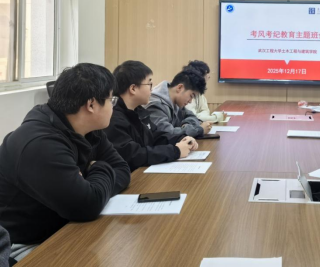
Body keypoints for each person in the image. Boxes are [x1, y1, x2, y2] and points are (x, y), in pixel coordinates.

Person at [0, 64, 131, 262]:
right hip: (24, 245)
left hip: (66, 226)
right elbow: (87, 206)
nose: (113, 107)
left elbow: (122, 169)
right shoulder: (40, 144)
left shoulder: (90, 130)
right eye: (111, 100)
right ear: (91, 105)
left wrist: (90, 179)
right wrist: (100, 167)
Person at [105, 60, 199, 172]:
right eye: (149, 84)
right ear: (133, 88)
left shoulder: (139, 111)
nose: (152, 88)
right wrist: (176, 151)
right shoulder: (114, 118)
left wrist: (181, 138)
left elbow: (156, 136)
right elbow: (135, 155)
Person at [145, 68, 210, 138]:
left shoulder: (176, 102)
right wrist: (199, 130)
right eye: (191, 96)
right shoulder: (156, 105)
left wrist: (186, 125)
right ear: (180, 88)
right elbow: (167, 134)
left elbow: (192, 116)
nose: (190, 101)